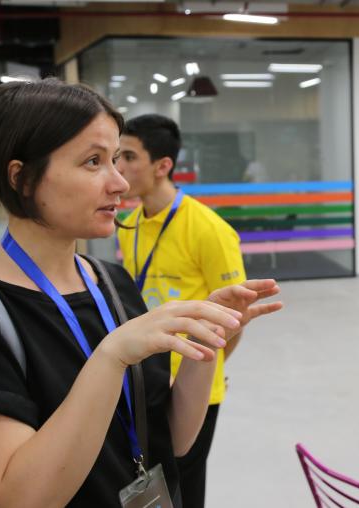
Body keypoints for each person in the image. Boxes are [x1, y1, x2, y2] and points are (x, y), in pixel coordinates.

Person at [0, 78, 282, 507]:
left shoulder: (113, 282)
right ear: (23, 178)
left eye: (116, 159)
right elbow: (22, 496)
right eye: (93, 162)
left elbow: (173, 437)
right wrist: (111, 357)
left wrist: (206, 342)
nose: (119, 183)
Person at [115, 114, 246, 508]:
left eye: (129, 157)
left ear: (163, 166)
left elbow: (235, 319)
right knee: (152, 485)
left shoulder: (208, 229)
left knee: (185, 488)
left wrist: (199, 371)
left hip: (192, 387)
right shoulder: (129, 224)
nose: (118, 168)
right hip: (146, 380)